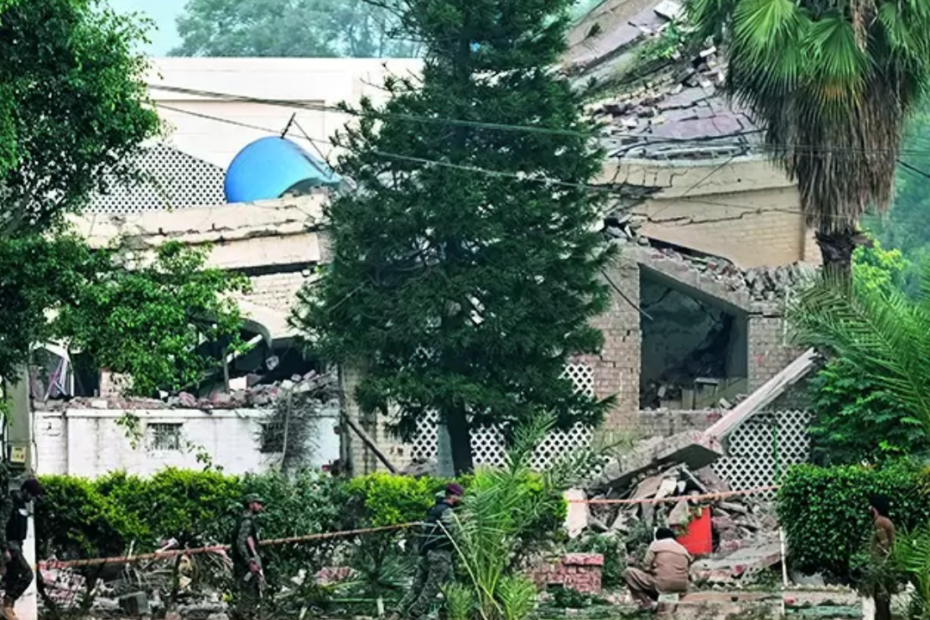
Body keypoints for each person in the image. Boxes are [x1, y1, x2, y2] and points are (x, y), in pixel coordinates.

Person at [394, 483, 464, 620]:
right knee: (432, 587)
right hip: (440, 554)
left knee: (450, 588)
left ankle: (397, 613)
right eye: (460, 496)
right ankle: (414, 614)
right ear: (454, 496)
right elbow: (456, 532)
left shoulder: (433, 509)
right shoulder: (446, 511)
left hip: (426, 553)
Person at [1, 478, 43, 620]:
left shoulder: (22, 505)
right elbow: (1, 526)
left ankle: (7, 612)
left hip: (18, 546)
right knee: (27, 575)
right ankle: (8, 603)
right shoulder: (10, 502)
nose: (32, 499)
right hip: (10, 547)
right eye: (31, 495)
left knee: (12, 579)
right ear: (25, 490)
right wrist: (4, 549)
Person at [624, 527, 691, 611]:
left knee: (629, 573)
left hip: (662, 585)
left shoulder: (656, 545)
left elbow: (645, 565)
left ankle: (646, 604)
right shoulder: (683, 549)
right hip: (682, 587)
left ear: (658, 537)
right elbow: (687, 569)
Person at [229, 494, 264, 620]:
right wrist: (250, 562)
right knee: (248, 592)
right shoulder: (246, 521)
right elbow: (241, 543)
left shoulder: (245, 520)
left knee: (252, 591)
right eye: (258, 503)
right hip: (245, 564)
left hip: (247, 562)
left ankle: (247, 615)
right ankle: (242, 615)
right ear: (251, 505)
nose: (260, 506)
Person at [869, 494, 896, 620]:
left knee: (880, 600)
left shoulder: (879, 522)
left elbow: (884, 544)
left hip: (881, 568)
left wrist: (877, 563)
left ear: (875, 509)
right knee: (884, 601)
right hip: (887, 567)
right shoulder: (886, 521)